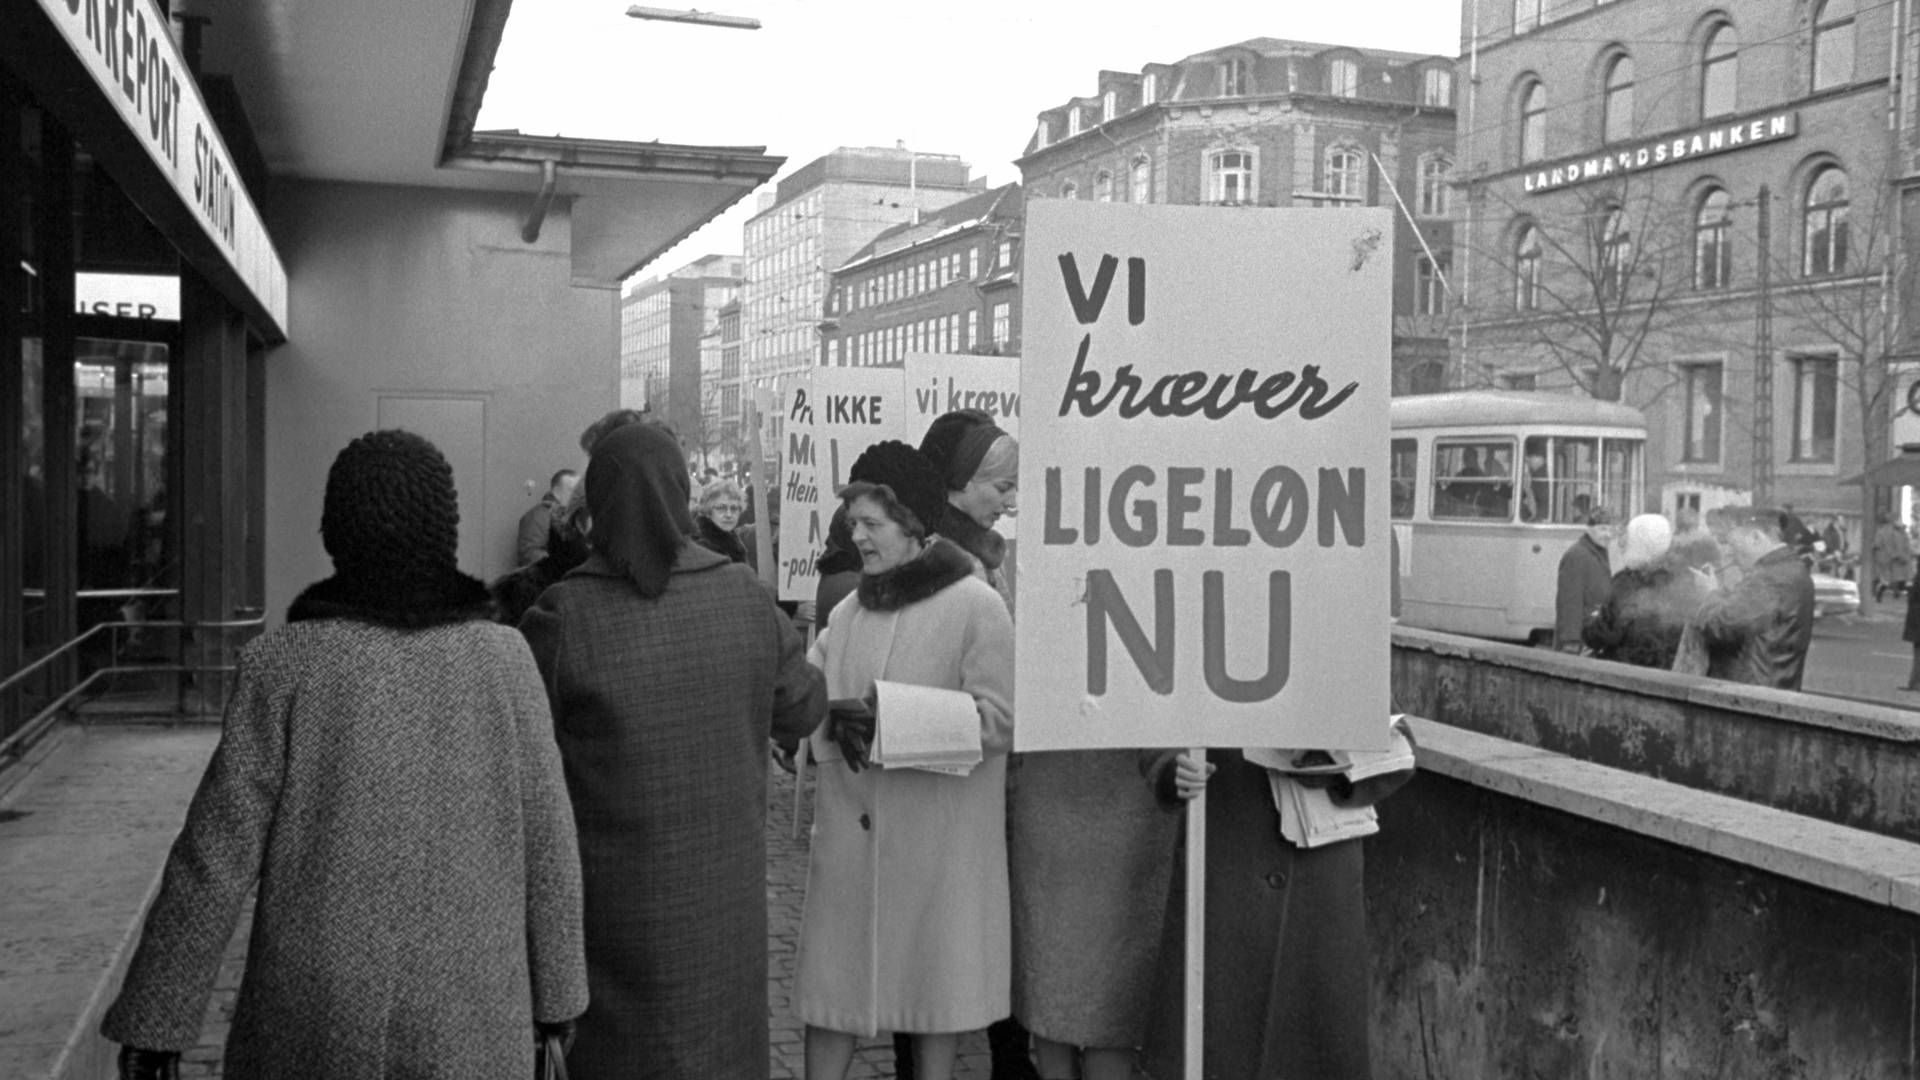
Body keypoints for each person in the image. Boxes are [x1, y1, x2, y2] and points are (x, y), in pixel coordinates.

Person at [102, 430, 587, 1079]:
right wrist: (559, 1000)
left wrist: (155, 1024)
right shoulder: (505, 663)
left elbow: (213, 859)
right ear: (444, 530)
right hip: (472, 1013)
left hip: (311, 1019)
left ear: (334, 531)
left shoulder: (283, 663)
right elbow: (550, 845)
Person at [520, 422, 827, 1079]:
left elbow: (520, 766)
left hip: (612, 923)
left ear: (595, 504)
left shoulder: (564, 617)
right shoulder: (744, 595)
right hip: (726, 920)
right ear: (684, 495)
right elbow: (801, 709)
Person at [796, 440, 1016, 1080]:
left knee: (931, 1008)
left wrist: (893, 719)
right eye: (852, 523)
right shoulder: (847, 610)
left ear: (914, 525)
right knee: (829, 1002)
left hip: (936, 847)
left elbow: (999, 720)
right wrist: (803, 723)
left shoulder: (978, 605)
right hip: (851, 850)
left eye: (872, 523)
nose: (857, 536)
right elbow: (808, 702)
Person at [1138, 720, 1417, 1080]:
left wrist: (1336, 765)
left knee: (1319, 1034)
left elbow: (1400, 746)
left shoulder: (1343, 662)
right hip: (1226, 857)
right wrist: (1171, 769)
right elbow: (1155, 715)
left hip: (1319, 872)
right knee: (1215, 1037)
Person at [1688, 506, 1817, 690]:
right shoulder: (1793, 569)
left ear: (1756, 538)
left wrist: (1709, 593)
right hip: (1775, 688)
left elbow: (1721, 626)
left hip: (1749, 695)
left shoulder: (1768, 578)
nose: (1731, 556)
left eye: (1734, 546)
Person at [1583, 513, 1698, 669]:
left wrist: (1589, 624)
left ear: (1640, 543)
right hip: (1671, 671)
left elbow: (1606, 633)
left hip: (1628, 672)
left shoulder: (1627, 583)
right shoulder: (1686, 578)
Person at [1554, 506, 1616, 652]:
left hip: (1591, 637)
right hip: (1580, 642)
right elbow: (1569, 602)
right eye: (1602, 529)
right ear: (1589, 529)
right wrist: (1571, 641)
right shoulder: (1577, 556)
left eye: (1610, 530)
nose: (1608, 535)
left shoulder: (1596, 553)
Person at [518, 468, 578, 566]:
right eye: (572, 490)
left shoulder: (578, 517)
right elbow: (529, 553)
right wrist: (563, 566)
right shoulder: (537, 516)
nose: (578, 495)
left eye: (579, 490)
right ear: (556, 491)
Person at [692, 477, 750, 563]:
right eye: (721, 508)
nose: (729, 515)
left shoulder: (733, 540)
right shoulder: (701, 545)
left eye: (734, 508)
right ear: (708, 511)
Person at [1874, 513, 1913, 601]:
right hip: (1898, 559)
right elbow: (1893, 546)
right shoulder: (1893, 532)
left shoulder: (1901, 532)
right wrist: (1898, 555)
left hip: (1901, 559)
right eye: (1899, 520)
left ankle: (1895, 594)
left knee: (1902, 579)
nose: (1900, 522)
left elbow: (1905, 545)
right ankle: (1886, 593)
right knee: (1898, 579)